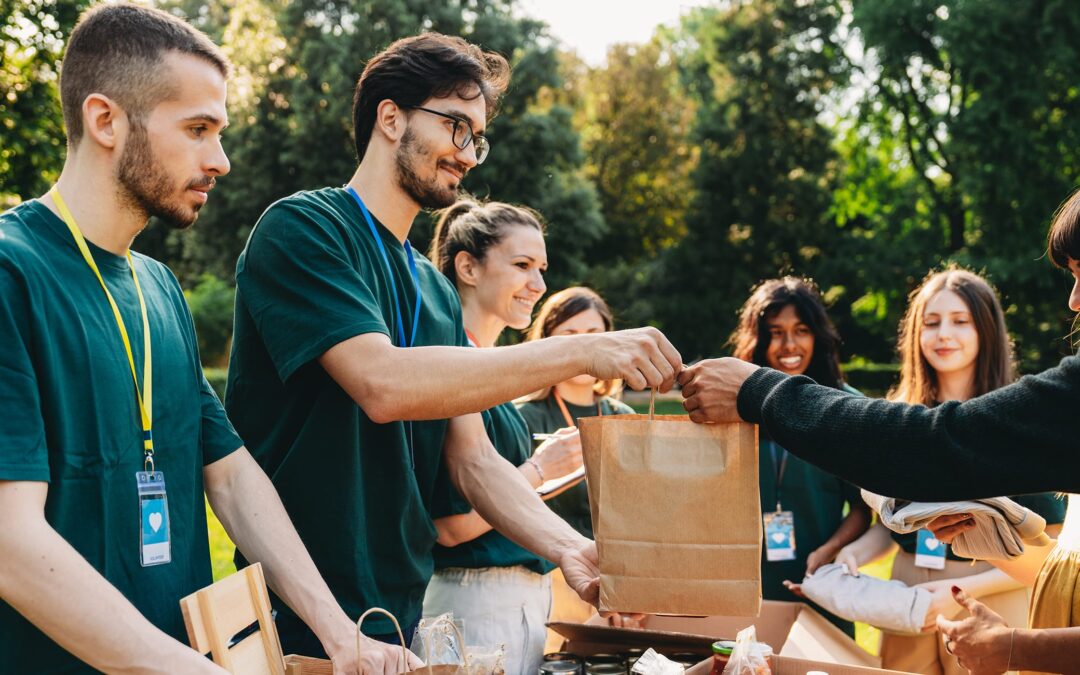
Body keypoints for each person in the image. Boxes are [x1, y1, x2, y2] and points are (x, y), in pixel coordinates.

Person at [224, 32, 681, 667]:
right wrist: (580, 352)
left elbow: (474, 462)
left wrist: (568, 548)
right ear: (391, 117)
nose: (468, 154)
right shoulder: (304, 228)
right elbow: (381, 383)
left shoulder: (434, 291)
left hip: (398, 613)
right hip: (298, 614)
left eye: (477, 137)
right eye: (456, 127)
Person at [0, 5, 366, 673]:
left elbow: (228, 475)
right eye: (198, 130)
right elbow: (8, 541)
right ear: (104, 119)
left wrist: (339, 632)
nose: (220, 160)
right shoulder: (10, 270)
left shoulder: (159, 288)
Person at [677, 188, 1080, 673]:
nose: (1074, 301)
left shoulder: (1028, 408)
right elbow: (1062, 565)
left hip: (984, 604)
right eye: (931, 322)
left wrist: (758, 391)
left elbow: (931, 444)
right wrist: (994, 537)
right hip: (915, 592)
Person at [830, 268, 1065, 674]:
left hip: (989, 591)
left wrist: (957, 591)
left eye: (960, 322)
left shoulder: (1014, 417)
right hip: (906, 597)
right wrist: (853, 553)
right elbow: (891, 524)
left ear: (986, 331)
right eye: (931, 323)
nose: (943, 335)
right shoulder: (899, 415)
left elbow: (1053, 546)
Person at [421, 199, 584, 673]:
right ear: (468, 267)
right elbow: (449, 527)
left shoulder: (487, 368)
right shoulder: (450, 365)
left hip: (518, 604)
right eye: (522, 266)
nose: (539, 284)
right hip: (475, 605)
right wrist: (539, 470)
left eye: (542, 268)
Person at [724, 278, 871, 637]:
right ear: (757, 339)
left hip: (818, 581)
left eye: (801, 330)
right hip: (745, 585)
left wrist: (830, 550)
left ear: (817, 336)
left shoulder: (843, 406)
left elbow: (863, 508)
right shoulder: (735, 407)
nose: (789, 345)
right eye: (775, 332)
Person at [515, 287, 637, 645]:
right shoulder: (524, 417)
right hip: (547, 590)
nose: (584, 348)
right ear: (547, 342)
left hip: (620, 592)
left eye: (592, 337)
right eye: (569, 336)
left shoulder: (625, 419)